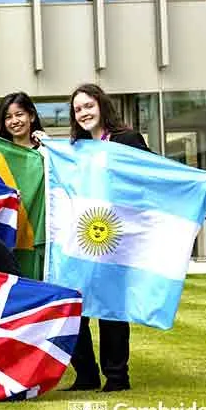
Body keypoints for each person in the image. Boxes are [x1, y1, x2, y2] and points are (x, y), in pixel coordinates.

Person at [65, 83, 148, 393]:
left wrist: (202, 179)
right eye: (77, 109)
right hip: (84, 239)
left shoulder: (127, 139)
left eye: (88, 105)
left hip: (116, 238)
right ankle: (86, 374)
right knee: (77, 308)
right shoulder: (76, 148)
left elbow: (155, 172)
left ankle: (117, 377)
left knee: (112, 308)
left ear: (101, 105)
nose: (84, 113)